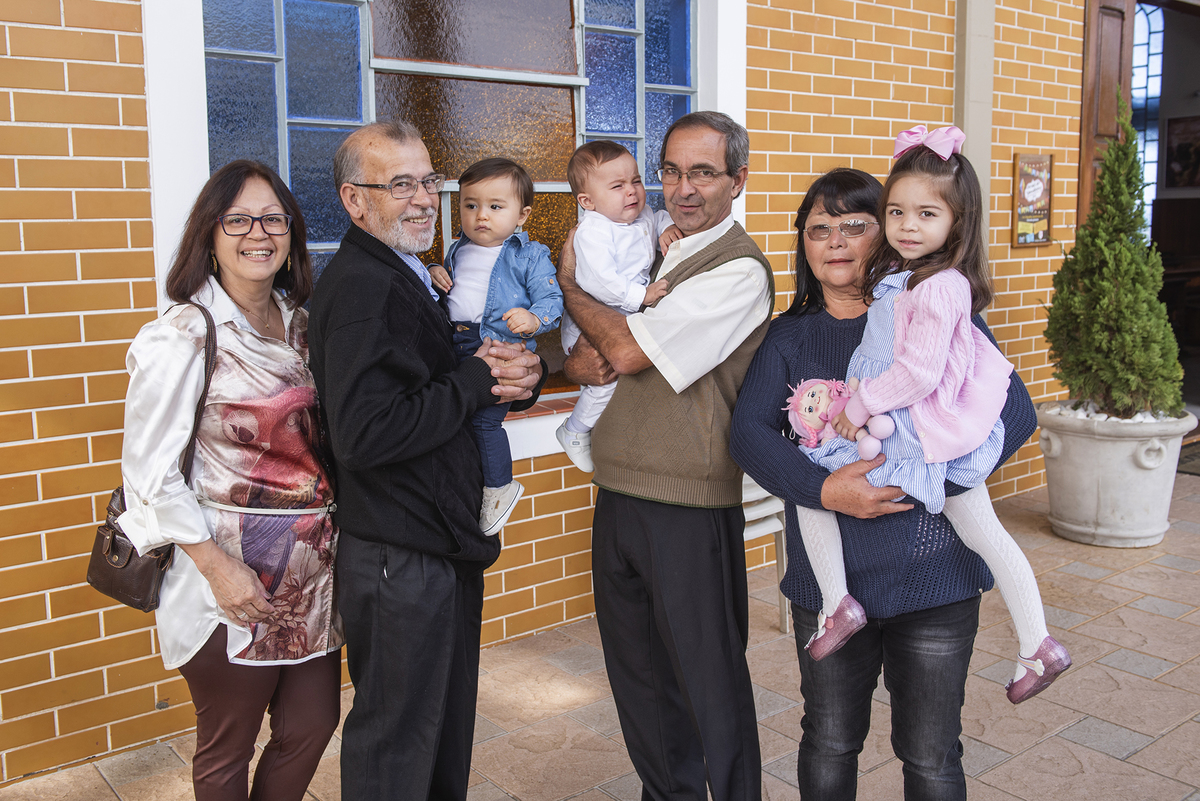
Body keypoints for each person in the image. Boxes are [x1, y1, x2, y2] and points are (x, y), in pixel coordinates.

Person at [729, 165, 1038, 800]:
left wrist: (938, 477)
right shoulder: (788, 338)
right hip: (831, 585)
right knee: (830, 739)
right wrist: (824, 491)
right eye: (819, 230)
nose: (836, 241)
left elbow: (1016, 410)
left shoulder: (931, 310)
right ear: (804, 246)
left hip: (935, 579)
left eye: (854, 225)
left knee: (929, 756)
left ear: (888, 232)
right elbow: (749, 436)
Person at [774, 127, 1069, 702]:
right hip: (907, 428)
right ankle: (1037, 643)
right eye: (897, 211)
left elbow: (920, 373)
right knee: (981, 531)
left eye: (926, 214)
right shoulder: (906, 279)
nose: (908, 226)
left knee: (818, 486)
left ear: (956, 224)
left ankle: (838, 605)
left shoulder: (938, 289)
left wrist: (858, 403)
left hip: (917, 434)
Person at [306, 121, 545, 801]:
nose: (421, 199)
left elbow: (424, 382)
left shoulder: (406, 273)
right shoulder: (363, 287)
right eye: (399, 183)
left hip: (432, 545)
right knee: (398, 747)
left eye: (428, 180)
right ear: (355, 201)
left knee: (438, 737)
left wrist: (502, 375)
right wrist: (474, 382)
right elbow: (367, 432)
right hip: (399, 556)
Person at [558, 111, 773, 801]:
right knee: (641, 684)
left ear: (737, 179)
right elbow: (592, 353)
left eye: (703, 172)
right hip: (618, 493)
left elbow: (622, 349)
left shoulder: (737, 270)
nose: (682, 187)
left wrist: (570, 287)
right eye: (672, 170)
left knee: (709, 685)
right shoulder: (654, 248)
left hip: (687, 505)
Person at [118, 159, 342, 801]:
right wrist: (217, 568)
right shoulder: (184, 336)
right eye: (237, 219)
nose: (258, 232)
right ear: (209, 235)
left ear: (293, 233)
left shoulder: (304, 324)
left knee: (311, 724)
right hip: (227, 575)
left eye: (274, 218)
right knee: (228, 744)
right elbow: (148, 475)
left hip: (312, 574)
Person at [426, 157, 563, 534]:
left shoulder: (529, 254)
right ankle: (469, 486)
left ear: (522, 215)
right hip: (457, 341)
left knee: (486, 420)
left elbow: (552, 302)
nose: (480, 215)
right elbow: (457, 289)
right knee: (456, 414)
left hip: (498, 344)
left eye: (495, 206)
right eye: (471, 205)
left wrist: (534, 319)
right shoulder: (457, 249)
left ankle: (499, 487)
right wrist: (434, 272)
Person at [553, 140, 679, 472]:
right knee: (604, 381)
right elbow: (599, 282)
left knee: (622, 383)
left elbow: (660, 216)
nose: (632, 192)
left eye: (636, 180)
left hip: (622, 320)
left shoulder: (644, 215)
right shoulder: (592, 232)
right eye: (618, 186)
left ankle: (598, 430)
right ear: (587, 201)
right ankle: (574, 431)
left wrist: (666, 229)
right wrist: (642, 296)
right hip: (586, 326)